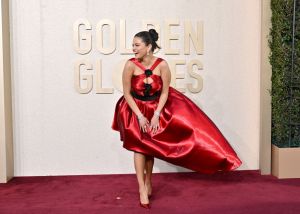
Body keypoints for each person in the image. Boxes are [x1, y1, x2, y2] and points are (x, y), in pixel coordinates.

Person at [112, 29, 242, 209]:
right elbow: (127, 93)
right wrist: (140, 116)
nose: (133, 48)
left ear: (148, 47)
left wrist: (157, 114)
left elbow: (165, 92)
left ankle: (149, 181)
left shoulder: (162, 65)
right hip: (135, 110)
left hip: (155, 109)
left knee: (150, 148)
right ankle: (142, 188)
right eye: (133, 45)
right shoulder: (130, 65)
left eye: (137, 45)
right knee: (139, 147)